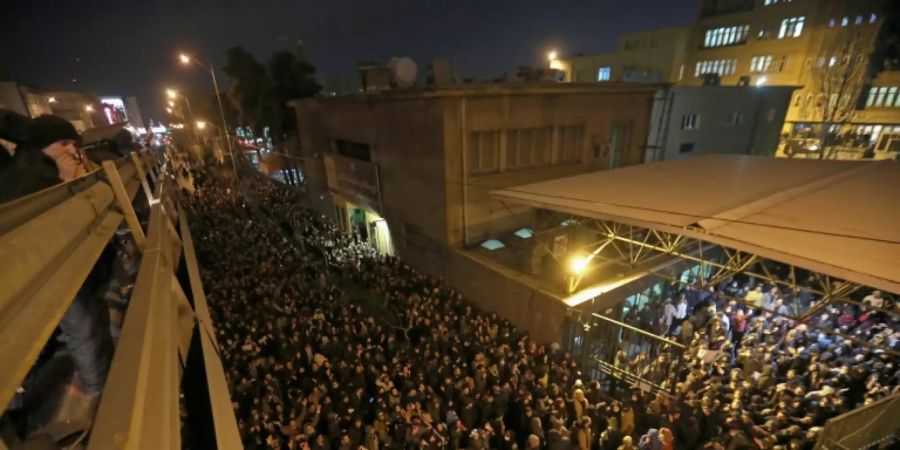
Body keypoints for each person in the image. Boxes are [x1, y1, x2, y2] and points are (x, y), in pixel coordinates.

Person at [1, 115, 113, 440]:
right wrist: (66, 182)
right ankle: (96, 388)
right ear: (41, 146)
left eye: (74, 143)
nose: (71, 149)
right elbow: (57, 220)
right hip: (42, 270)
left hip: (55, 264)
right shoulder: (24, 178)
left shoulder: (45, 168)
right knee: (80, 328)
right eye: (63, 143)